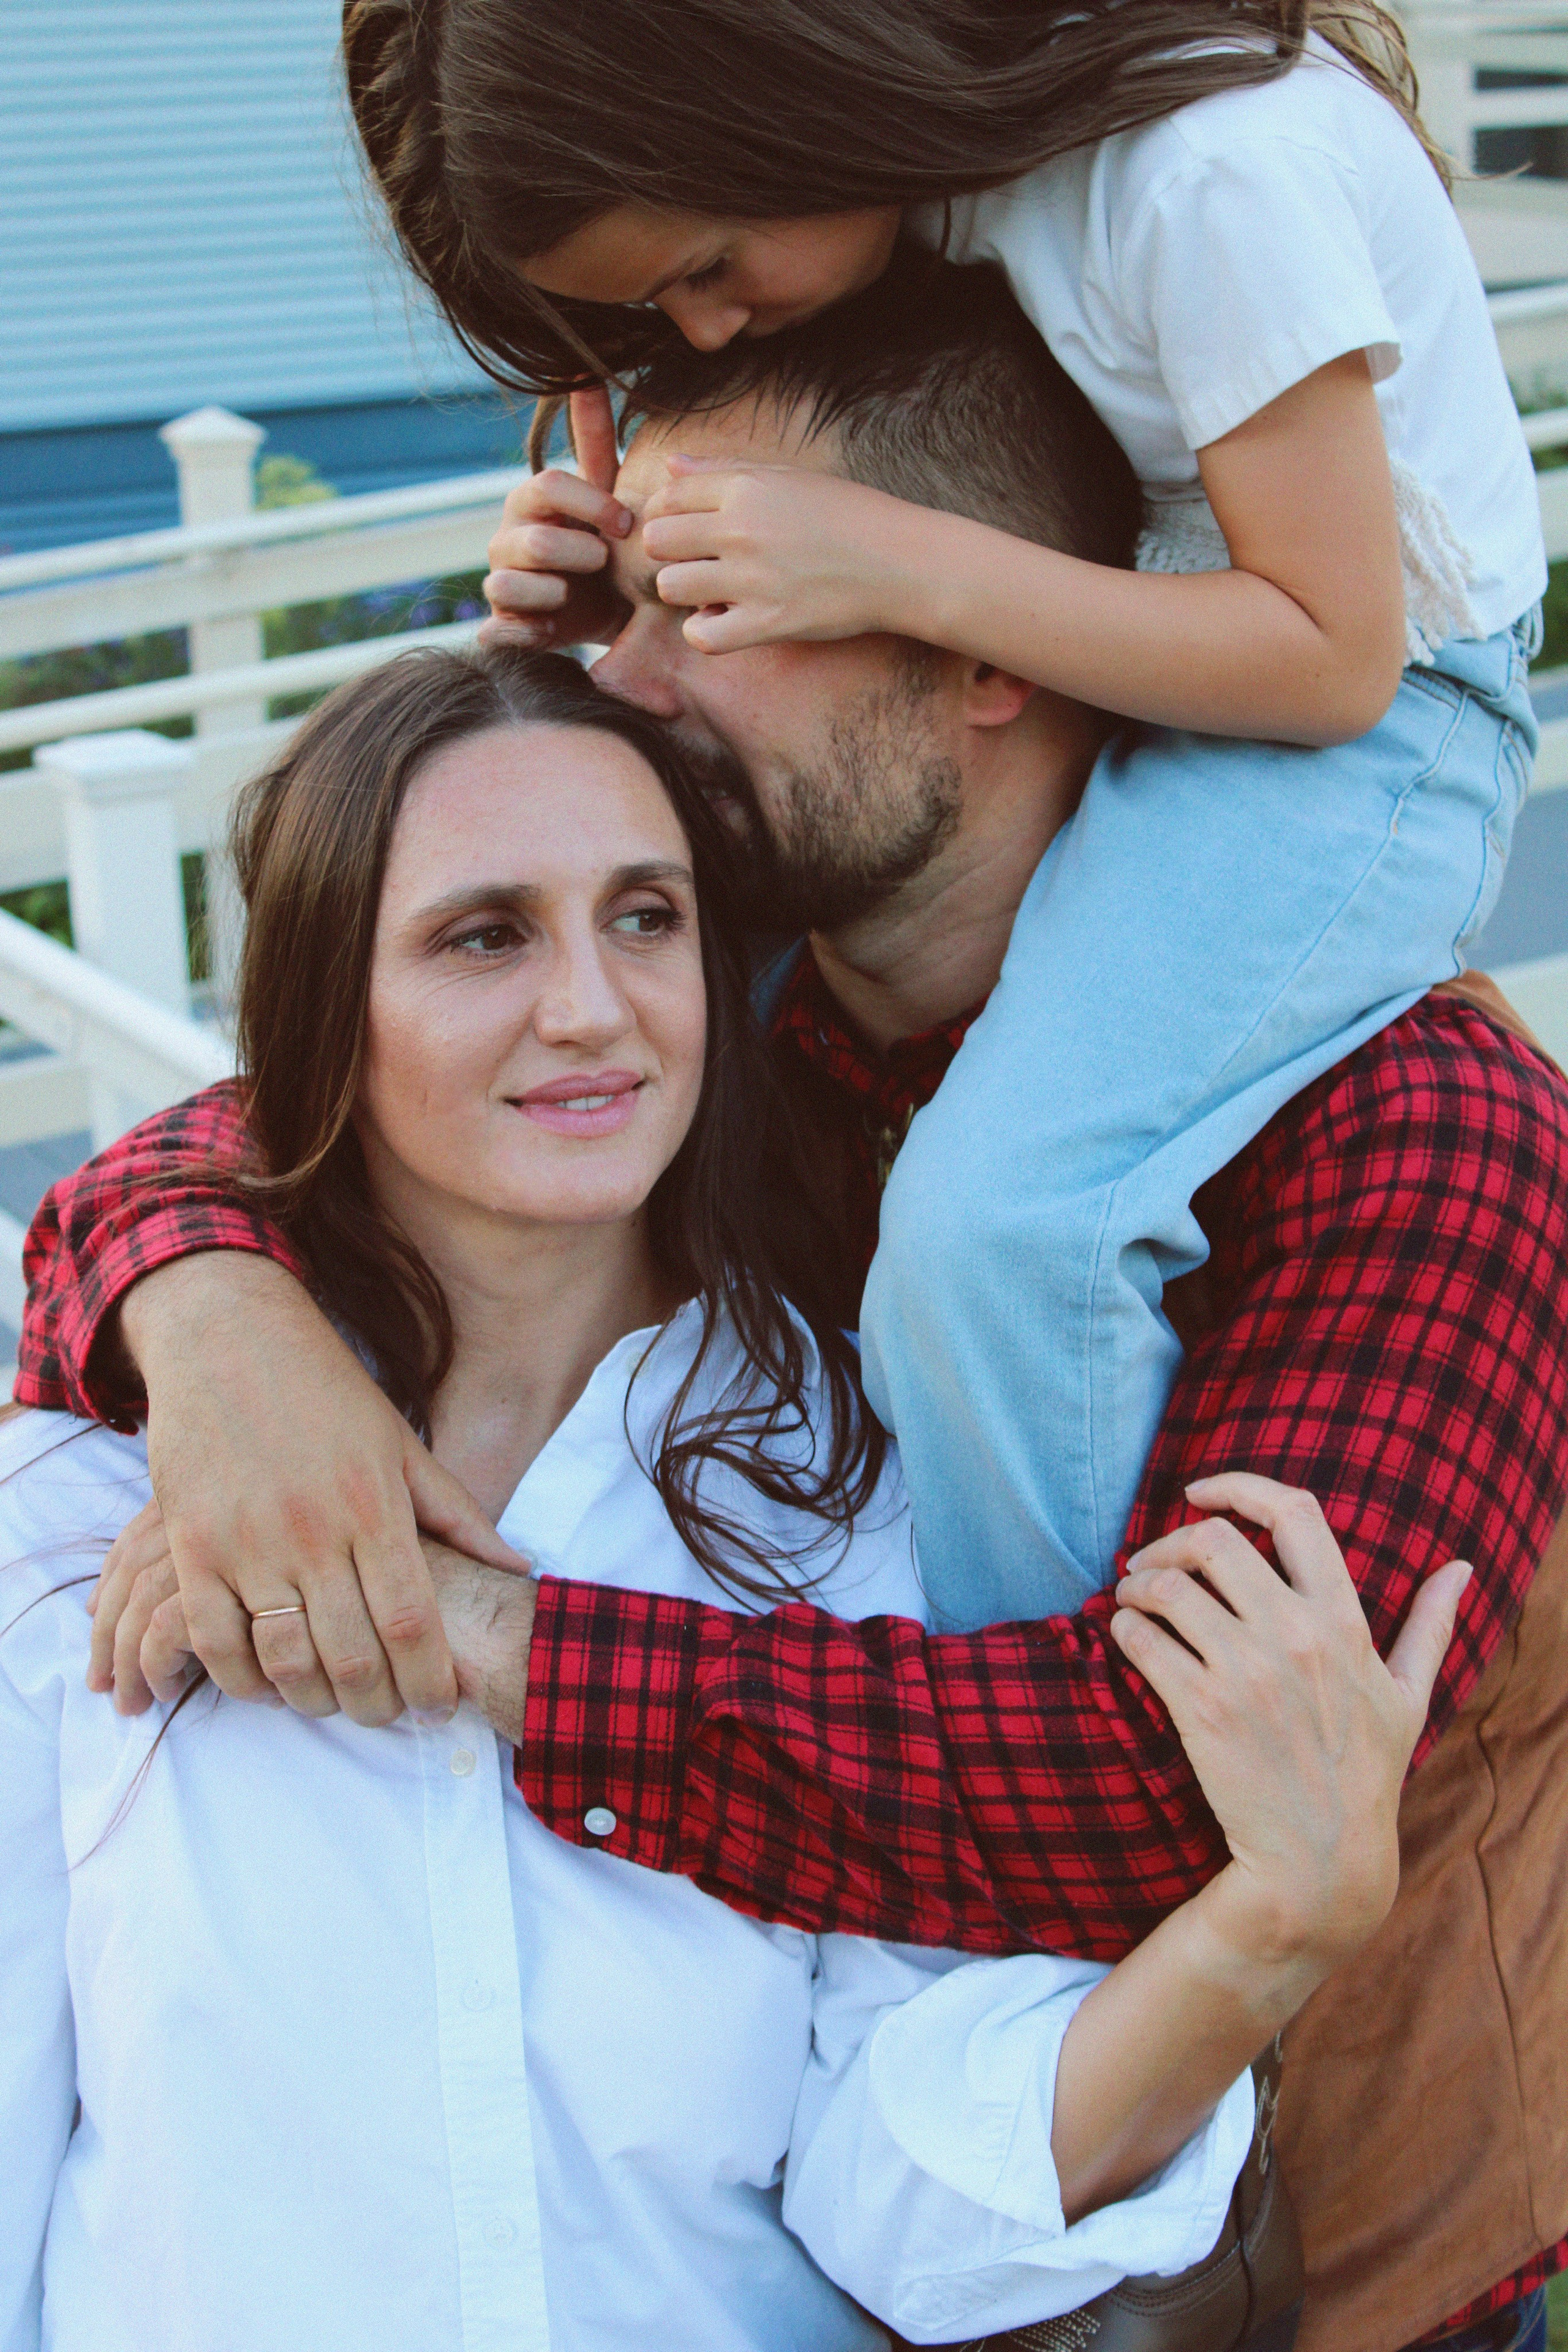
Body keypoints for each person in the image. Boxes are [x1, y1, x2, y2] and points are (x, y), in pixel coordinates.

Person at [20, 271, 1568, 2351]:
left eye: (707, 605)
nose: (618, 683)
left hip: (1349, 2221)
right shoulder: (743, 994)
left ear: (989, 645)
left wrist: (484, 1634)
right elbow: (306, 1100)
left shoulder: (1423, 1132)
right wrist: (212, 1325)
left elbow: (1151, 1803)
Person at [349, 0, 1548, 1619]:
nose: (700, 334)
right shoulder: (946, 195)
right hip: (1162, 630)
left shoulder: (1209, 177)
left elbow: (1337, 660)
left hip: (1376, 716)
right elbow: (335, 1090)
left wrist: (892, 567)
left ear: (789, 93)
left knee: (1002, 1231)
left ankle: (1028, 1670)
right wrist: (609, 596)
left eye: (703, 265)